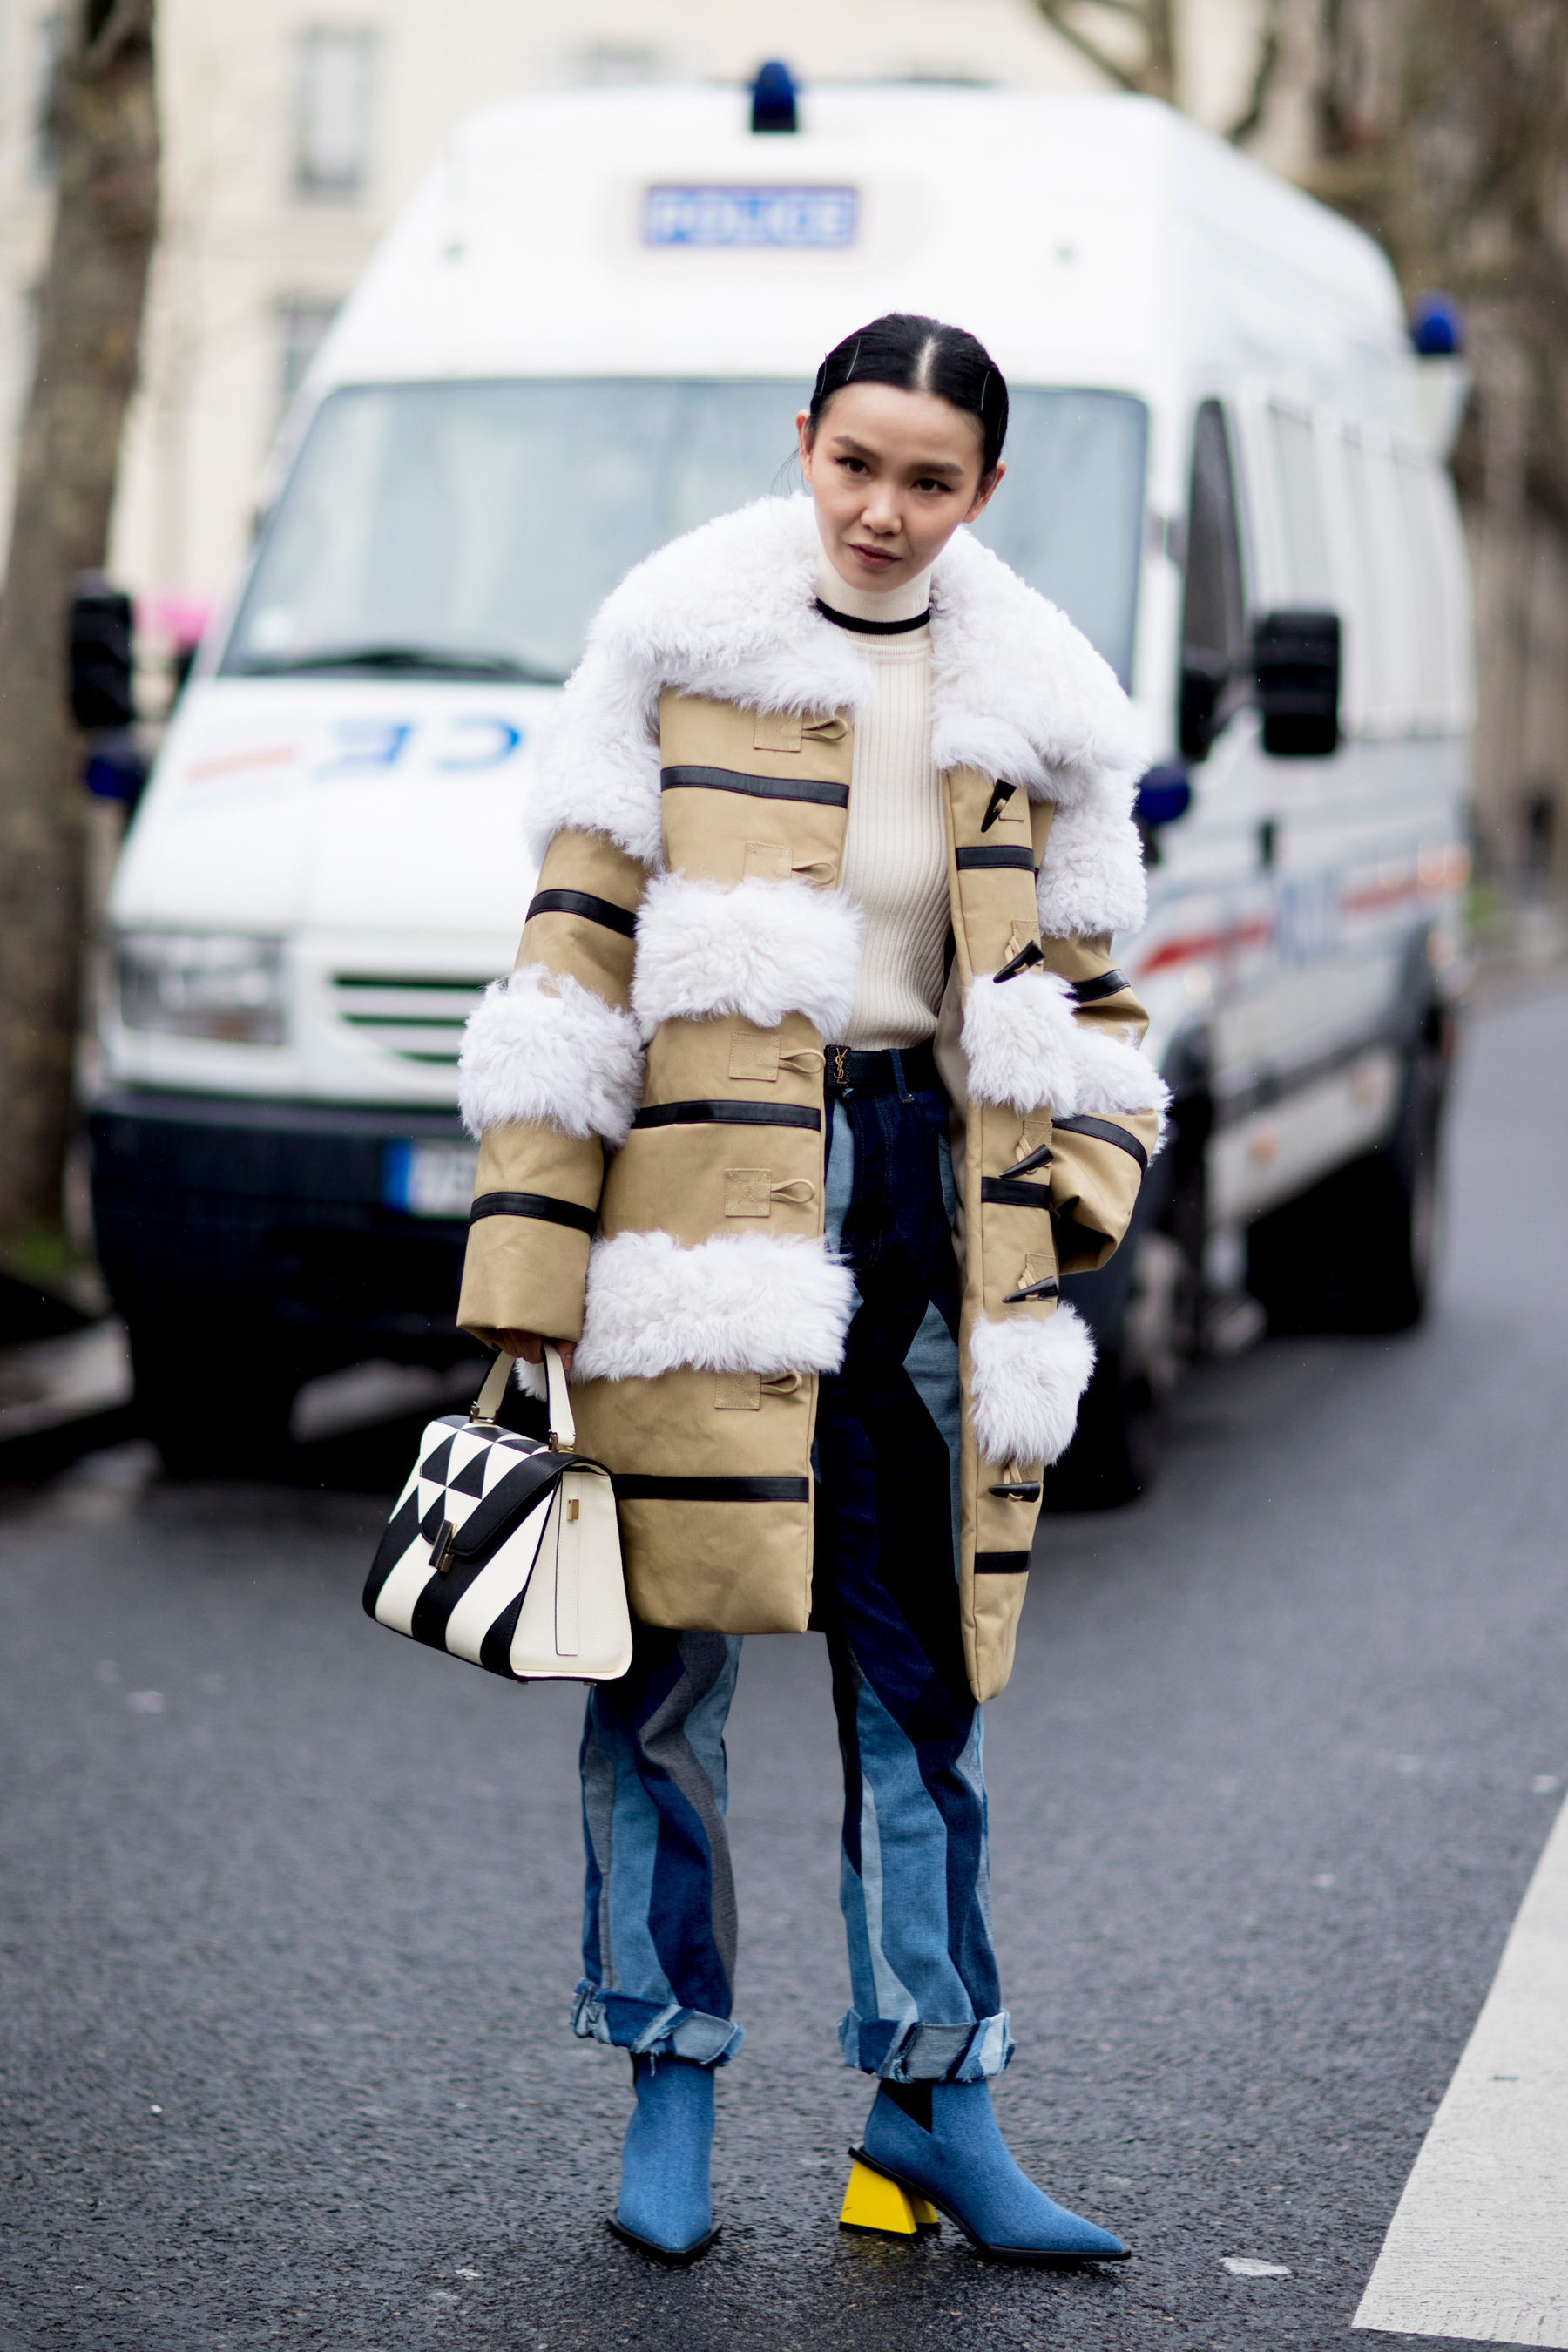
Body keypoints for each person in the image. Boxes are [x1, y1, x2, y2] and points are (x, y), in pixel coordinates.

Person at [454, 314, 1166, 2266]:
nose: (882, 509)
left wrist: (1074, 1192)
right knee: (662, 1676)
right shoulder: (676, 646)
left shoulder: (1040, 702)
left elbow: (1101, 1002)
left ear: (984, 494)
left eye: (929, 479)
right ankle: (669, 2077)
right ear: (807, 445)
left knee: (923, 1690)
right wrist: (528, 1262)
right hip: (700, 1229)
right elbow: (568, 978)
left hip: (936, 1215)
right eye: (856, 462)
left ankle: (934, 2105)